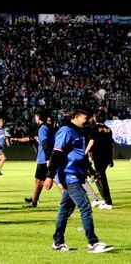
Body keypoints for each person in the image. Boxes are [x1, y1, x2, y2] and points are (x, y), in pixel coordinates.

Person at [45, 108, 113, 253]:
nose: (87, 120)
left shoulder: (79, 132)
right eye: (85, 117)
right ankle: (93, 243)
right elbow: (56, 154)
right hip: (69, 176)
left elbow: (78, 155)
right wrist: (50, 176)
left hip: (76, 174)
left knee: (65, 210)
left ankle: (58, 243)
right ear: (75, 117)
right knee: (85, 207)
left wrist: (90, 170)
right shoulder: (66, 131)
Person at [24, 110, 55, 208]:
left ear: (38, 118)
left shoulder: (43, 128)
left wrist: (48, 158)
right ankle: (34, 198)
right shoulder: (49, 128)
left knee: (47, 180)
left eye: (36, 117)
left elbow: (45, 144)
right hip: (43, 158)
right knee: (38, 180)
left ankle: (34, 202)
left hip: (43, 159)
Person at [86, 111, 114, 210]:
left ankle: (108, 202)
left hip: (98, 156)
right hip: (106, 157)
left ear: (95, 118)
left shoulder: (94, 128)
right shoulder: (109, 129)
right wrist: (111, 159)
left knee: (101, 178)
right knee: (99, 177)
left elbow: (91, 141)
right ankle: (104, 200)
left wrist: (85, 152)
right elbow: (111, 145)